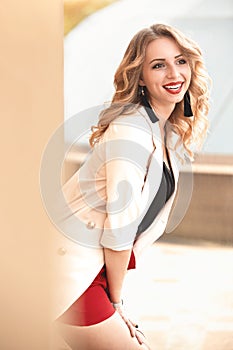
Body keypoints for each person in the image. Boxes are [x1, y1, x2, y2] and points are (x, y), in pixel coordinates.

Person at [53, 23, 210, 349]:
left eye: (180, 61)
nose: (173, 73)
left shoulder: (162, 134)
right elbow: (120, 226)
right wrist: (117, 304)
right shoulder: (131, 132)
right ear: (139, 77)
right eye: (158, 65)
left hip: (94, 273)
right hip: (70, 272)